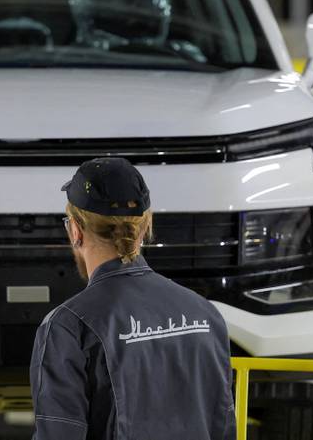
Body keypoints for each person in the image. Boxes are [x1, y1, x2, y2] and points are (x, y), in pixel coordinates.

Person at [30, 157, 235, 440]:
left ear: (75, 230)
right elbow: (222, 426)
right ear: (146, 225)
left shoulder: (69, 326)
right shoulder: (205, 315)